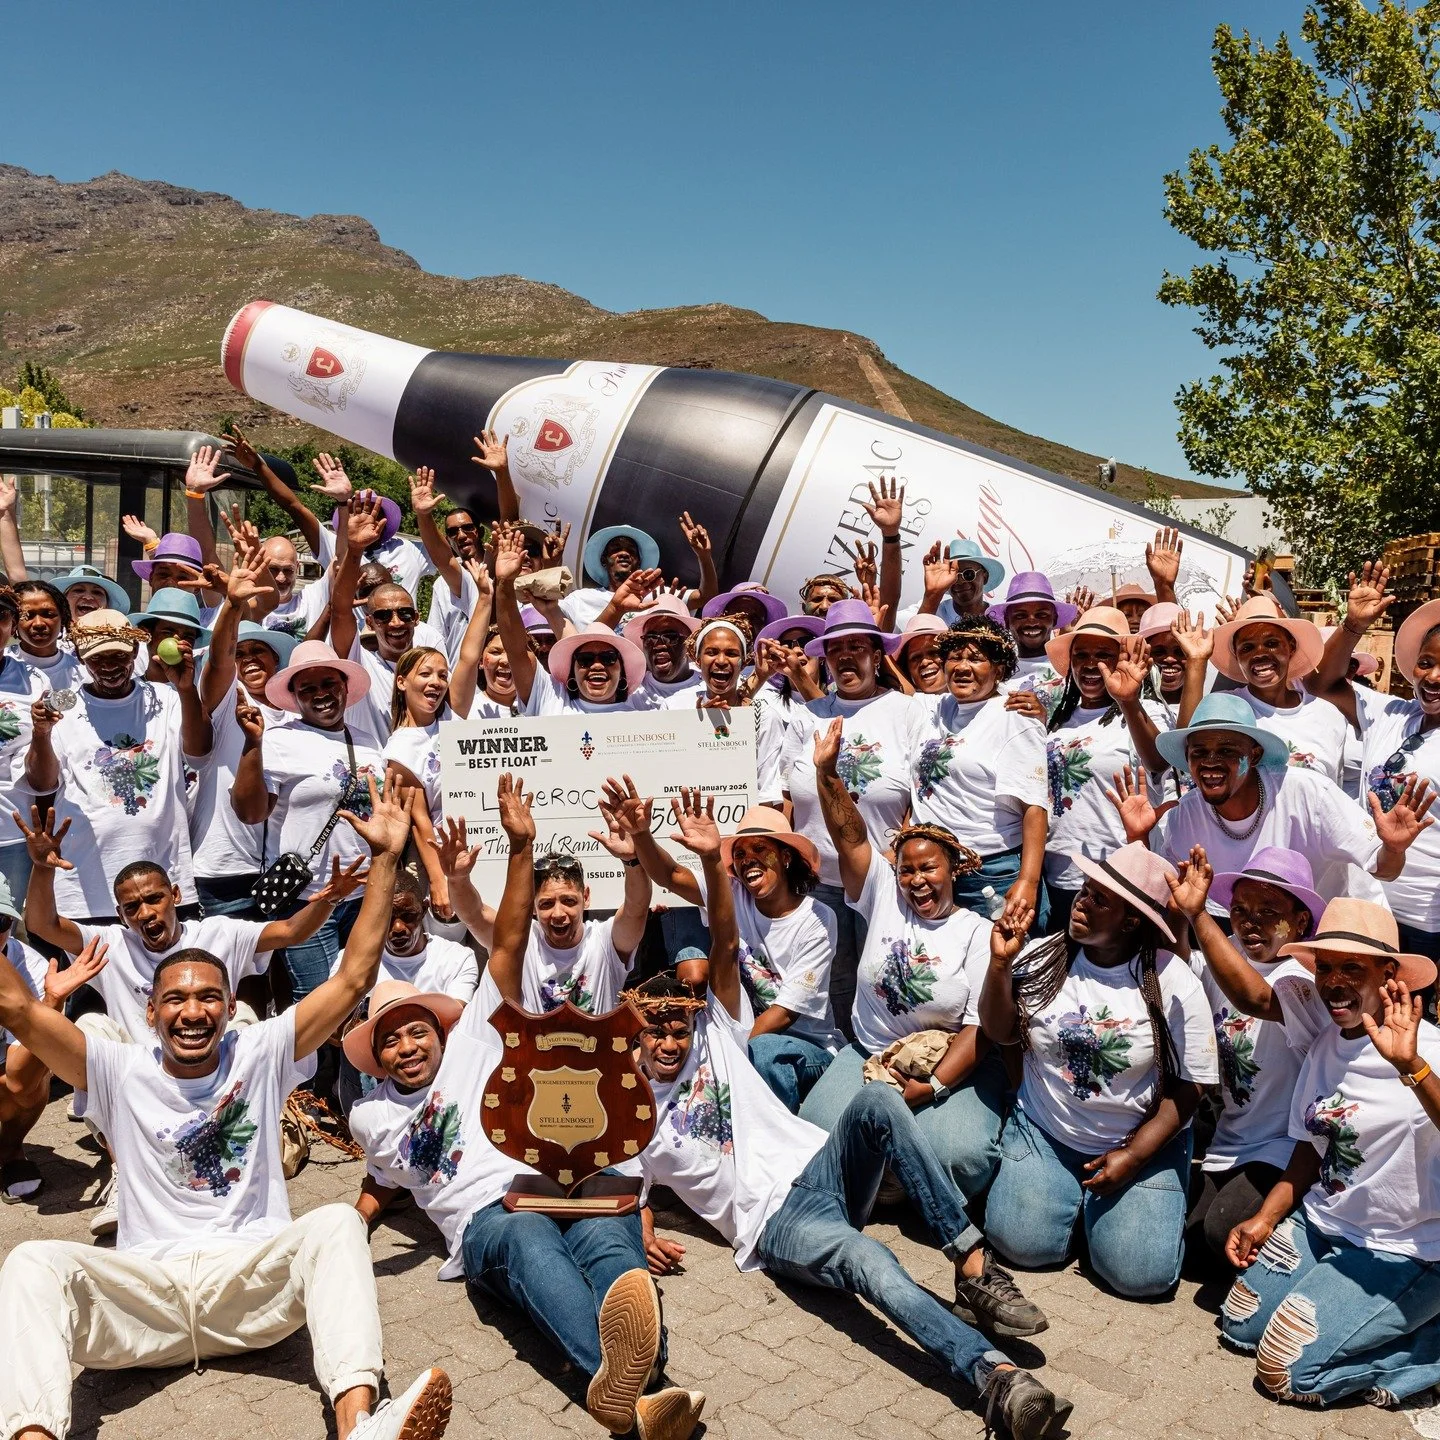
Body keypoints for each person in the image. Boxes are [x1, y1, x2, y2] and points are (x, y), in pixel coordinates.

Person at [0, 771, 456, 1440]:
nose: (193, 1011)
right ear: (150, 1013)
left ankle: (360, 1426)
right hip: (146, 1302)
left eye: (208, 997)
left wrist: (387, 860)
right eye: (176, 1000)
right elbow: (16, 1006)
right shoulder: (116, 1067)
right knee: (31, 1263)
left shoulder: (260, 1051)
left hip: (252, 1294)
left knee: (335, 1224)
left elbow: (355, 975)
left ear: (230, 1004)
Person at [629, 789, 1070, 1440]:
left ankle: (972, 1265)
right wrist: (638, 1226)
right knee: (874, 1265)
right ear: (634, 1037)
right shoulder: (633, 1119)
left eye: (679, 1025)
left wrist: (709, 857)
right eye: (655, 1030)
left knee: (878, 1097)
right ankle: (995, 1378)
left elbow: (723, 938)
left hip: (822, 1168)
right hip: (778, 1225)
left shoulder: (716, 1038)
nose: (670, 1041)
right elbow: (623, 1193)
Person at [351, 775, 707, 1440]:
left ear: (441, 1030)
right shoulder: (369, 1116)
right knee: (529, 1240)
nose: (408, 1047)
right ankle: (643, 1394)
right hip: (490, 1221)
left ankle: (640, 1391)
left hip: (554, 1176)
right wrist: (355, 1224)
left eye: (417, 1030)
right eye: (390, 1040)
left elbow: (507, 941)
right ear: (373, 1057)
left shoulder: (474, 1044)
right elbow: (385, 1177)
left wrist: (521, 848)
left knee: (610, 1228)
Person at [1218, 899, 1440, 1412]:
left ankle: (1427, 1352)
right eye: (1325, 968)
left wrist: (1411, 1067)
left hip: (1403, 1247)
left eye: (1352, 969)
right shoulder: (1326, 1044)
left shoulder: (1427, 1049)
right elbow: (1310, 1147)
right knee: (1239, 1324)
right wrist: (1265, 1217)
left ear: (1389, 974)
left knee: (1286, 1371)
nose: (1334, 983)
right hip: (1324, 1224)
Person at [979, 843, 1219, 1298]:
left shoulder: (1172, 980)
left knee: (1139, 1276)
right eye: (1084, 890)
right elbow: (1000, 1032)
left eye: (1099, 899)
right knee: (1021, 1246)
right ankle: (1071, 1206)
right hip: (1048, 1130)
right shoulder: (1043, 956)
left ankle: (1125, 1209)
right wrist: (1000, 966)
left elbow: (1193, 1085)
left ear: (1131, 922)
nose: (1081, 902)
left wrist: (1136, 1156)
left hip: (1137, 1140)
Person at [798, 718, 1006, 1201]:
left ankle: (890, 1174)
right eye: (906, 870)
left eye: (928, 868)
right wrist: (827, 775)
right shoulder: (883, 897)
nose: (916, 880)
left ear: (952, 871)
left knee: (962, 1157)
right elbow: (851, 837)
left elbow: (978, 1029)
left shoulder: (977, 932)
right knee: (813, 1135)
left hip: (938, 1065)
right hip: (869, 1055)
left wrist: (931, 1087)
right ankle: (892, 1177)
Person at [610, 783, 841, 1112]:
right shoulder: (734, 894)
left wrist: (727, 1053)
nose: (748, 860)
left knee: (764, 1052)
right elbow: (670, 875)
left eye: (760, 849)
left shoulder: (817, 918)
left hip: (808, 1049)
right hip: (747, 1037)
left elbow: (784, 1013)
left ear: (786, 856)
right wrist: (641, 834)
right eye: (740, 854)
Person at [1162, 846, 1333, 1271]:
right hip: (1231, 1139)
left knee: (1221, 1233)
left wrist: (1199, 916)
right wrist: (1180, 917)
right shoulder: (1229, 953)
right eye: (1239, 910)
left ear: (1300, 922)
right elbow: (1179, 969)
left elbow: (1254, 997)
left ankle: (1304, 1231)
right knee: (1185, 1243)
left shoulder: (1306, 979)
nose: (1249, 922)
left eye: (1268, 911)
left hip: (1285, 1147)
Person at [1115, 692, 1431, 913]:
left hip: (1334, 934)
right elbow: (1164, 892)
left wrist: (1394, 849)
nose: (1210, 762)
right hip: (1252, 937)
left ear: (1253, 755)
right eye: (1199, 752)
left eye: (1227, 751)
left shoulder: (1309, 794)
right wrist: (1138, 838)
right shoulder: (1186, 815)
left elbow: (1384, 870)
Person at [780, 599, 917, 1036]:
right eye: (835, 648)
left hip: (884, 877)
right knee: (833, 982)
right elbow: (787, 796)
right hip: (818, 881)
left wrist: (899, 852)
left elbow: (922, 794)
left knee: (885, 979)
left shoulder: (909, 712)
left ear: (877, 656)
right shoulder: (807, 715)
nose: (844, 657)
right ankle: (842, 1059)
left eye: (856, 647)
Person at [230, 640, 387, 1016]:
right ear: (294, 697)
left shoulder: (368, 742)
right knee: (317, 1002)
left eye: (329, 683)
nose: (321, 694)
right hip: (310, 898)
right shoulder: (279, 740)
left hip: (365, 894)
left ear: (345, 687)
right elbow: (250, 813)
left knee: (365, 994)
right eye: (308, 688)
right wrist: (252, 744)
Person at [25, 609, 208, 923]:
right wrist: (41, 733)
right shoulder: (63, 707)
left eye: (118, 656)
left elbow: (199, 752)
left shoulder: (166, 699)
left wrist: (187, 689)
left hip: (163, 881)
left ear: (135, 651)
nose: (109, 666)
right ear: (80, 657)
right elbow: (42, 784)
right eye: (97, 658)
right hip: (85, 888)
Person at [1313, 574, 1440, 960]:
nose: (1433, 677)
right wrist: (1353, 626)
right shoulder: (1391, 714)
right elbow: (1323, 684)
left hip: (1419, 919)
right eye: (1426, 663)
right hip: (1360, 900)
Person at [438, 797, 651, 1016]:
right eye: (547, 904)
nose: (558, 914)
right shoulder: (520, 940)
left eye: (568, 901)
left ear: (586, 897)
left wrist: (632, 860)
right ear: (531, 905)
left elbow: (636, 908)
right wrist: (457, 879)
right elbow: (475, 915)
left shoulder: (606, 941)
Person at [907, 616, 1049, 922]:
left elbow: (1034, 807)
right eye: (954, 657)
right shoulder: (936, 709)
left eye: (975, 659)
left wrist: (1028, 881)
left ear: (998, 670)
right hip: (933, 873)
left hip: (990, 872)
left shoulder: (1014, 716)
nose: (962, 667)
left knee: (1001, 951)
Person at [1040, 605, 1168, 935]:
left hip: (1118, 876)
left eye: (1103, 655)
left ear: (1122, 659)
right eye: (1081, 655)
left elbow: (1159, 763)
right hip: (1057, 874)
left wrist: (1128, 700)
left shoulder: (1144, 710)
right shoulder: (1057, 718)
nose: (1090, 664)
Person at [191, 557, 299, 920]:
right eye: (241, 653)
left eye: (258, 652)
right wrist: (232, 604)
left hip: (283, 869)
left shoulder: (296, 717)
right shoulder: (229, 701)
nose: (248, 659)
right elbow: (219, 661)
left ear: (276, 661)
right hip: (226, 868)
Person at [492, 527, 650, 716]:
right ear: (572, 668)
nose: (597, 666)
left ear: (623, 668)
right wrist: (504, 584)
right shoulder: (549, 696)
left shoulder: (645, 711)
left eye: (608, 658)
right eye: (585, 660)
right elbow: (516, 650)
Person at [330, 493, 449, 743]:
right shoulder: (360, 663)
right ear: (369, 622)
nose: (396, 622)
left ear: (416, 618)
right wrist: (355, 550)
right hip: (370, 765)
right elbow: (340, 610)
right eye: (383, 616)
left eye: (404, 613)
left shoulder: (431, 659)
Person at [0, 874, 83, 1201]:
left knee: (31, 1081)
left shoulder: (31, 967)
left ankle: (9, 1152)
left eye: (0, 922)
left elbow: (19, 1078)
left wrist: (50, 1003)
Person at [1204, 594, 1347, 782]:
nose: (1260, 653)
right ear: (1237, 656)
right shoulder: (1223, 709)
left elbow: (1333, 791)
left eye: (1271, 644)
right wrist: (1196, 661)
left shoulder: (1329, 716)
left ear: (1291, 647)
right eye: (1247, 647)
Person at [0, 585, 44, 902]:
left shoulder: (35, 681)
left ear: (13, 625)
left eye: (0, 616)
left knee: (4, 925)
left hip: (12, 836)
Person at [988, 572, 1076, 721]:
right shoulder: (995, 674)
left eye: (1041, 615)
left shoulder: (1073, 669)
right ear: (1007, 621)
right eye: (1020, 615)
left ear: (1054, 619)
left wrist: (1044, 717)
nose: (1032, 622)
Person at [562, 523, 662, 629]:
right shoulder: (579, 599)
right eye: (616, 549)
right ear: (603, 560)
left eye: (631, 551)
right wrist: (551, 566)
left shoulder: (658, 596)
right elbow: (551, 610)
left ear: (639, 562)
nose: (624, 553)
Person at [900, 539, 1004, 628]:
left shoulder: (1004, 620)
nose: (960, 581)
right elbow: (892, 627)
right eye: (953, 574)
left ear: (985, 577)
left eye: (968, 574)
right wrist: (932, 595)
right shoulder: (928, 608)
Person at [629, 596, 703, 707]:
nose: (658, 646)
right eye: (650, 638)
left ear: (690, 643)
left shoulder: (710, 689)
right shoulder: (632, 692)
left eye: (670, 637)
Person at [128, 587, 212, 685]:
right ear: (146, 634)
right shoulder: (128, 689)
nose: (178, 640)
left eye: (188, 636)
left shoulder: (203, 681)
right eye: (168, 632)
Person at [11, 579, 81, 692]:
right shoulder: (3, 664)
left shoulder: (82, 673)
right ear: (14, 621)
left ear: (63, 618)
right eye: (27, 615)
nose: (38, 623)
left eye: (48, 614)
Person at [894, 613, 949, 696]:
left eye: (934, 653)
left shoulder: (970, 698)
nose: (925, 662)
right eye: (915, 657)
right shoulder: (903, 702)